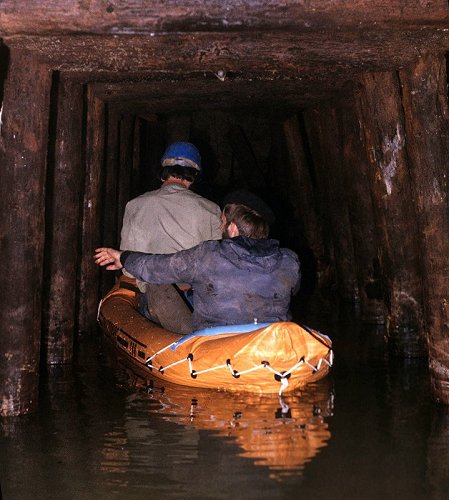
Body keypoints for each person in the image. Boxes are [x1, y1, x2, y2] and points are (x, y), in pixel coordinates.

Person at [95, 190, 301, 332]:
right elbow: (292, 290)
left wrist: (123, 257)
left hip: (214, 348)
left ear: (233, 229)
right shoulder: (290, 261)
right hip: (270, 343)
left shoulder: (209, 255)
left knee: (157, 287)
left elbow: (156, 267)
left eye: (222, 222)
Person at [120, 141, 222, 332]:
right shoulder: (211, 209)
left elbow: (129, 269)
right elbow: (217, 267)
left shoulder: (134, 206)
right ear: (194, 175)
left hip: (154, 300)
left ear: (164, 171)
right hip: (198, 302)